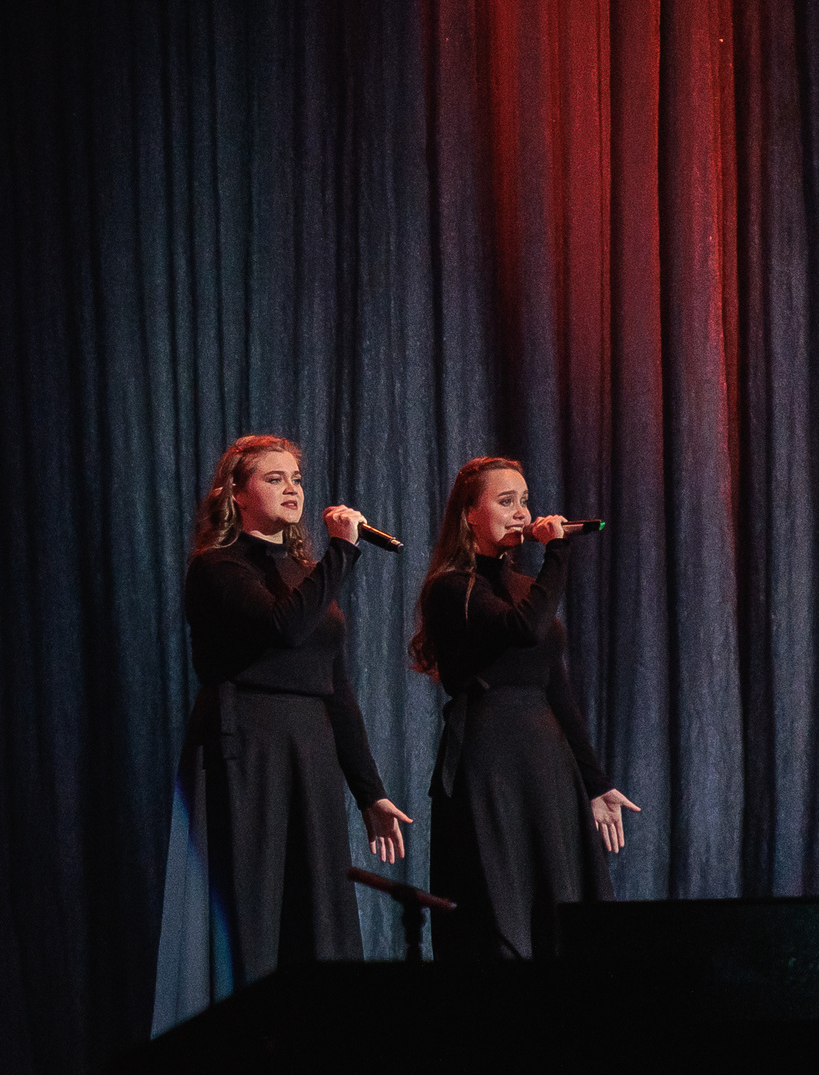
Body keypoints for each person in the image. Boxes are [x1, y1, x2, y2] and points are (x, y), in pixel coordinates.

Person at [153, 435, 414, 1034]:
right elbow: (283, 628)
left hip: (310, 746)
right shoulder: (218, 566)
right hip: (248, 743)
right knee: (256, 904)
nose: (292, 488)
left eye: (296, 478)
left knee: (317, 905)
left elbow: (336, 687)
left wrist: (368, 792)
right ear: (234, 494)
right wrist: (342, 555)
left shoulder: (305, 573)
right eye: (274, 479)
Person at [409, 457, 640, 959]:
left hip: (545, 757)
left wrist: (595, 781)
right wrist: (557, 552)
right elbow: (525, 629)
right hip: (491, 758)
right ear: (470, 514)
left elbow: (555, 686)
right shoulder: (453, 587)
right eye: (506, 501)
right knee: (500, 902)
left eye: (525, 501)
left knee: (559, 902)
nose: (521, 512)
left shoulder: (522, 588)